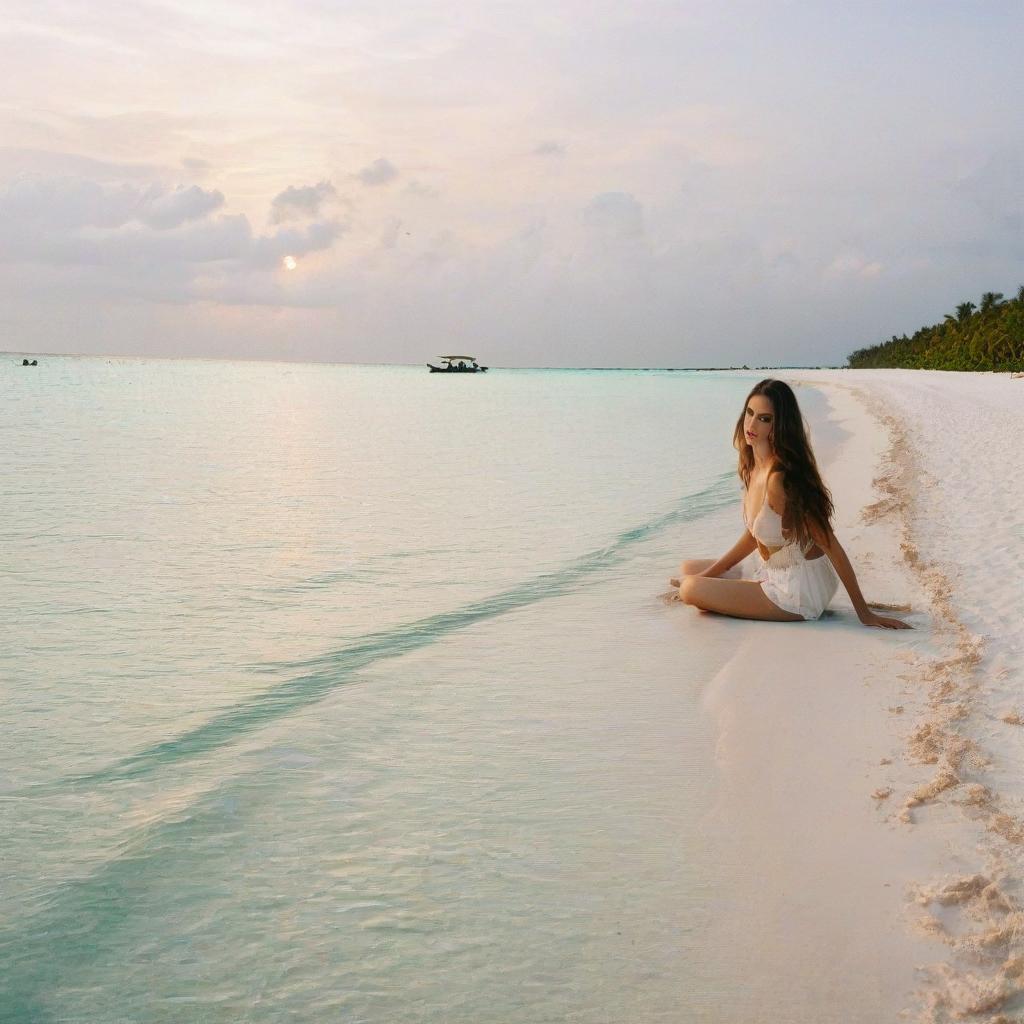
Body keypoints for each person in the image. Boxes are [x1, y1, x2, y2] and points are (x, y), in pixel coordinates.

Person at [670, 378, 911, 629]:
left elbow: (831, 545)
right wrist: (707, 575)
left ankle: (726, 588)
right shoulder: (753, 467)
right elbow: (754, 536)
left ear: (779, 426)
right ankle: (720, 583)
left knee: (690, 588)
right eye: (750, 413)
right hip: (772, 567)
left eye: (764, 419)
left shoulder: (781, 480)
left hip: (798, 590)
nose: (751, 424)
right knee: (689, 569)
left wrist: (865, 614)